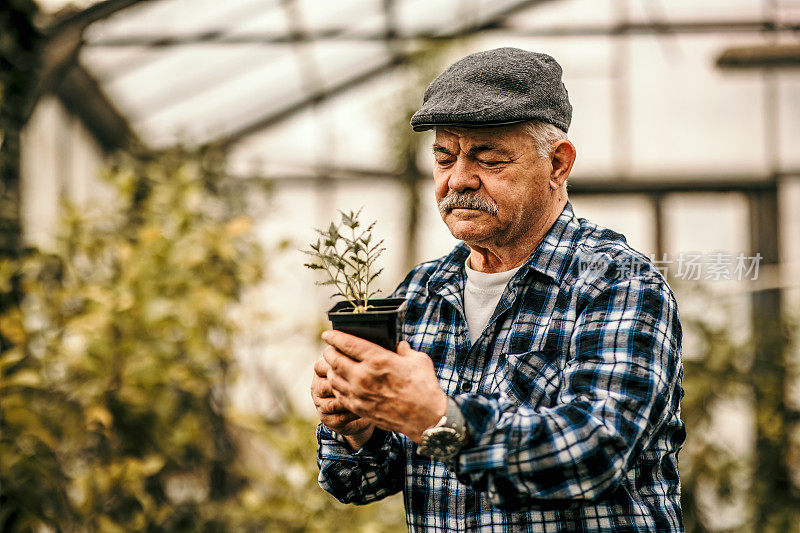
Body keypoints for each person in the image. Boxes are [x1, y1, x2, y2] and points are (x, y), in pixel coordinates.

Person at [310, 47, 684, 532]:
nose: (458, 179)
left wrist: (435, 417)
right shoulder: (423, 292)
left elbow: (592, 456)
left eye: (489, 159)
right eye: (444, 158)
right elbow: (361, 483)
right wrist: (359, 427)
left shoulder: (617, 284)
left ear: (558, 165)